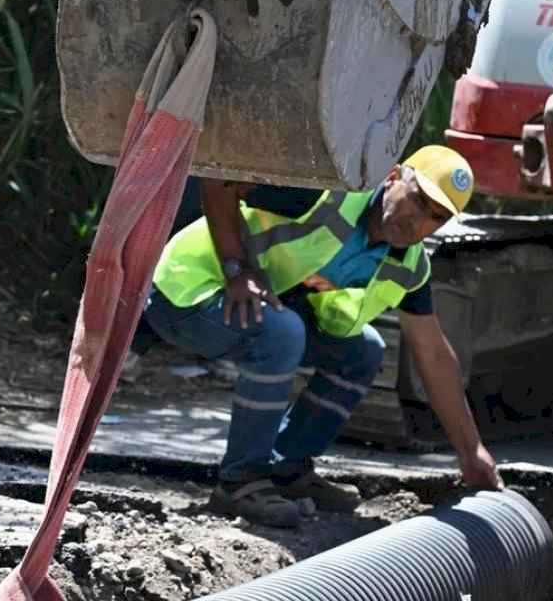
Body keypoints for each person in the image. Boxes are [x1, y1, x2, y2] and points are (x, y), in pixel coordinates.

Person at [142, 144, 503, 528]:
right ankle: (240, 482)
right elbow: (219, 176)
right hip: (187, 291)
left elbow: (433, 353)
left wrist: (471, 451)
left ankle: (286, 469)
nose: (419, 222)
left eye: (436, 217)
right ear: (393, 176)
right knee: (284, 332)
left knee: (363, 351)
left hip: (257, 308)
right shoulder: (326, 195)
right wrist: (237, 269)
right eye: (418, 199)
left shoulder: (408, 267)